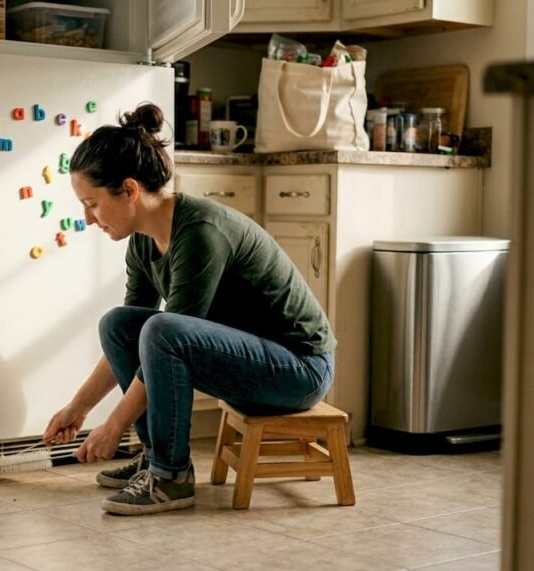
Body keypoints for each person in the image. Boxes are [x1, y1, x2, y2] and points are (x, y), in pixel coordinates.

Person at [42, 102, 336, 516]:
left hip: (299, 369)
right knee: (120, 325)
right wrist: (79, 407)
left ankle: (171, 476)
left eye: (92, 204)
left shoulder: (200, 233)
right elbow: (133, 342)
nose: (88, 219)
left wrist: (114, 427)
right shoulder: (143, 240)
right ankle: (155, 458)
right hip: (254, 360)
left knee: (164, 330)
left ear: (129, 190)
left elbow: (168, 337)